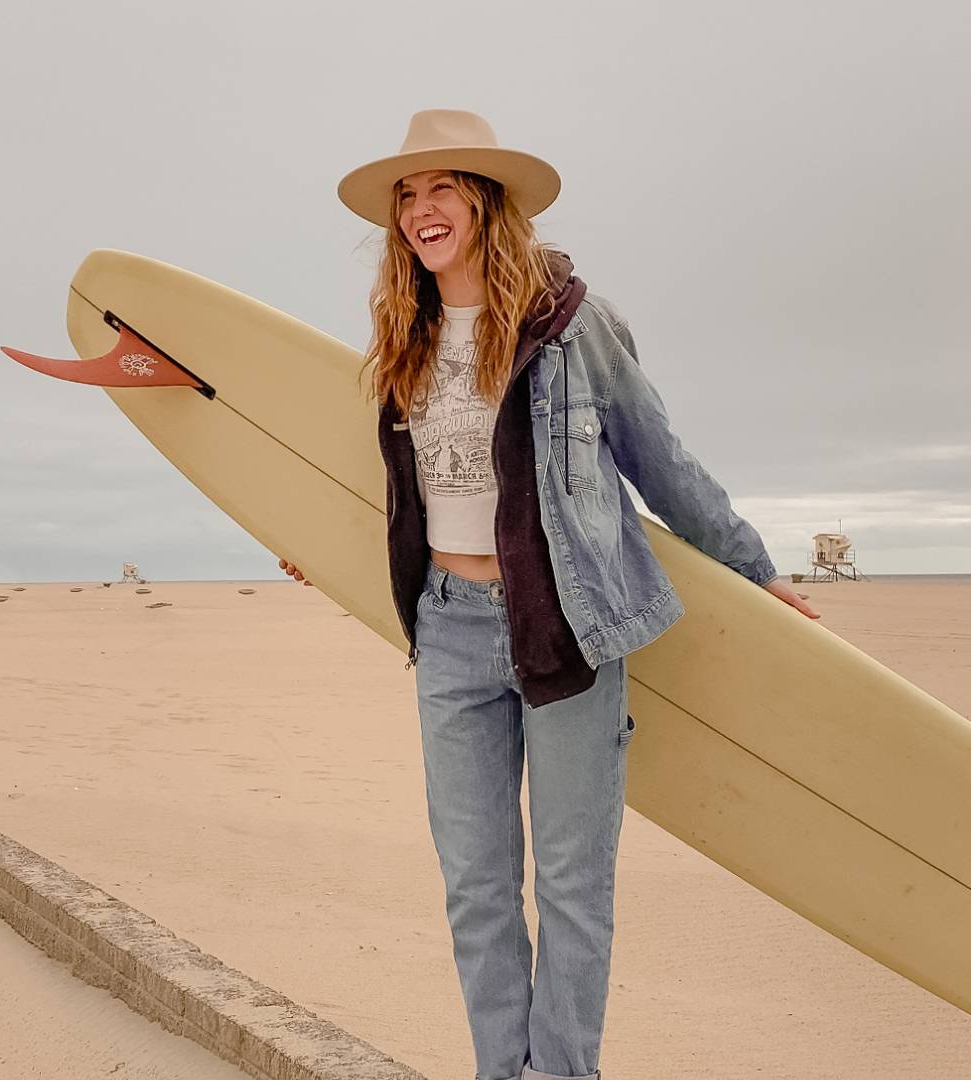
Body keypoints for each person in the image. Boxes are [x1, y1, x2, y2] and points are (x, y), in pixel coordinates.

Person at [281, 109, 819, 1080]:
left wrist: (754, 568)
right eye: (408, 193)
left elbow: (661, 460)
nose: (421, 208)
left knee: (572, 886)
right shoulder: (403, 336)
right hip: (445, 631)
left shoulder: (575, 326)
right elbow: (401, 494)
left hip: (565, 628)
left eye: (443, 186)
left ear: (488, 202)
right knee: (478, 887)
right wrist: (316, 547)